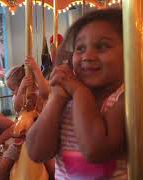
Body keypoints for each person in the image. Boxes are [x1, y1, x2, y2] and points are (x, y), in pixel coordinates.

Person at [26, 8, 127, 179]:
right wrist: (57, 98)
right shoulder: (66, 100)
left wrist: (80, 92)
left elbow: (96, 150)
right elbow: (37, 152)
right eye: (80, 49)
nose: (87, 56)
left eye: (102, 46)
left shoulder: (124, 100)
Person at [0, 56, 51, 180]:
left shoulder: (39, 94)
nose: (13, 93)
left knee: (53, 167)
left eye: (13, 89)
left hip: (40, 140)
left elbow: (46, 91)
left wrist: (35, 70)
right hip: (21, 142)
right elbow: (17, 107)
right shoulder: (18, 97)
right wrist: (21, 89)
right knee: (3, 166)